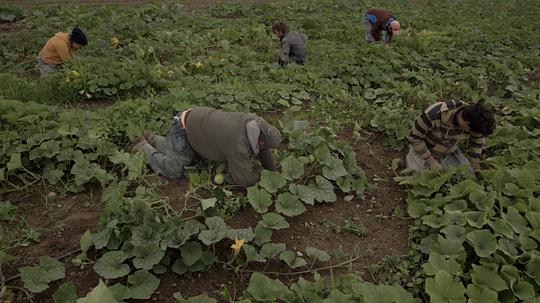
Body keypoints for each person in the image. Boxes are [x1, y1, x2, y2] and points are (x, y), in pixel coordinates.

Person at [129, 107, 282, 187]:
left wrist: (272, 170)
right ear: (261, 140)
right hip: (183, 129)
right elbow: (244, 180)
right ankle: (142, 147)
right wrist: (264, 175)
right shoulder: (237, 144)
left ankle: (153, 139)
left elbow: (263, 148)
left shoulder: (253, 122)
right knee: (175, 170)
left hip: (194, 123)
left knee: (188, 156)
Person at [407, 100, 496, 172]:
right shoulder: (433, 115)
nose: (473, 134)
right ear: (466, 124)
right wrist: (430, 160)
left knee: (468, 173)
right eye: (471, 131)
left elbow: (477, 139)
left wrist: (475, 166)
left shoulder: (474, 119)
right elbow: (415, 138)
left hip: (447, 148)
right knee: (418, 177)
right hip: (425, 146)